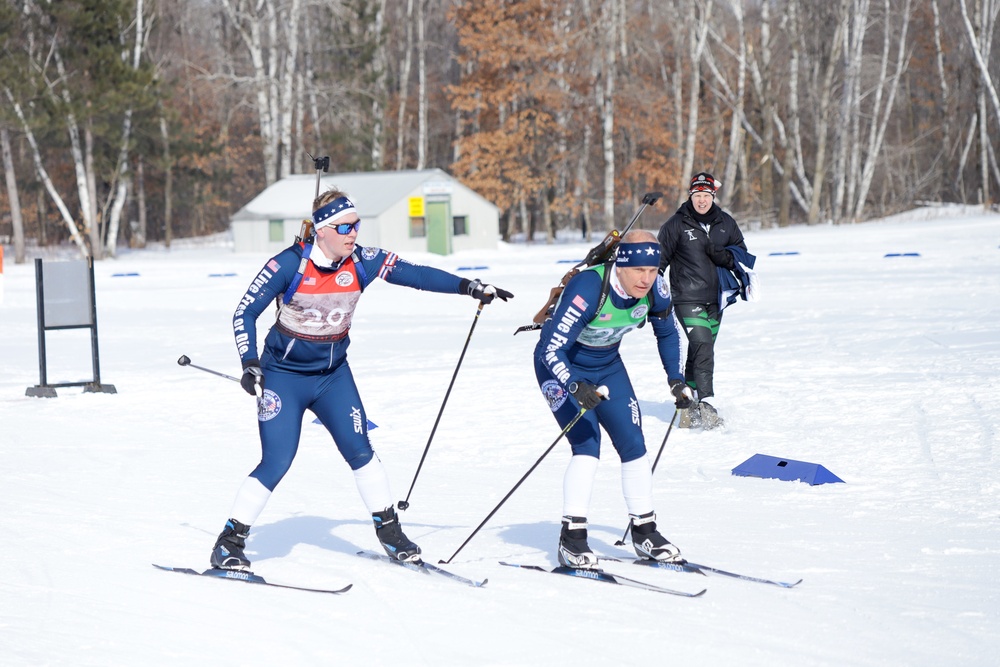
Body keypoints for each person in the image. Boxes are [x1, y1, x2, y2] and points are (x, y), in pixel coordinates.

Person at [210, 187, 513, 572]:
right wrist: (250, 363)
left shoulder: (362, 261)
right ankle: (228, 542)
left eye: (357, 225)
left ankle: (390, 533)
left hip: (333, 377)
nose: (353, 233)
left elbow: (415, 275)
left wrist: (468, 286)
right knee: (277, 461)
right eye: (344, 227)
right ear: (321, 230)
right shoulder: (288, 265)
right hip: (284, 377)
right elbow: (243, 314)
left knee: (361, 450)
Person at [533, 230, 693, 569]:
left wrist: (676, 380)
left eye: (652, 271)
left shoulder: (657, 288)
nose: (646, 279)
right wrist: (574, 385)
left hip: (607, 366)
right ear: (620, 266)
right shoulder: (589, 288)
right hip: (560, 367)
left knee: (633, 442)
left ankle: (645, 531)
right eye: (639, 271)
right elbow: (551, 349)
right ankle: (572, 540)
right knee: (587, 444)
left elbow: (667, 332)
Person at [656, 172, 748, 430]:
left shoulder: (725, 223)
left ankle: (688, 403)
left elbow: (741, 255)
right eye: (697, 196)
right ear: (691, 196)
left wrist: (721, 256)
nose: (702, 201)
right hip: (686, 297)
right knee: (702, 344)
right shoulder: (675, 225)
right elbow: (658, 262)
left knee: (700, 350)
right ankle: (706, 403)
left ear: (712, 196)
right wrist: (653, 292)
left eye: (706, 196)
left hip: (717, 299)